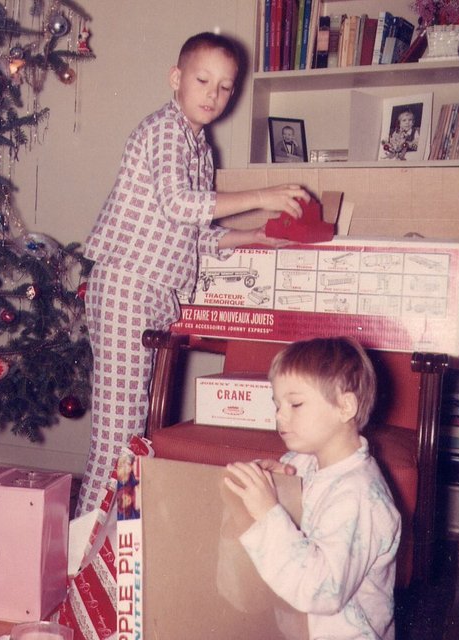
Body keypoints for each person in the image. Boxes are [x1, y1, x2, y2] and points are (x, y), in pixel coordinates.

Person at [77, 31, 310, 515]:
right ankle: (83, 560)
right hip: (127, 283)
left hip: (156, 290)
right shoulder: (165, 130)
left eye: (225, 87)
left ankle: (108, 551)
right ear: (176, 78)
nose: (213, 94)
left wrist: (255, 234)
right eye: (204, 80)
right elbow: (179, 203)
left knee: (132, 428)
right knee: (117, 434)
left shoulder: (199, 147)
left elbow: (195, 234)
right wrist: (263, 195)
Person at [225, 337, 401, 639]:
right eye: (277, 404)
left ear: (345, 406)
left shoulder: (359, 496)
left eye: (295, 404)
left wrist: (269, 513)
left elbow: (323, 590)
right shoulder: (302, 462)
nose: (280, 415)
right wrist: (283, 484)